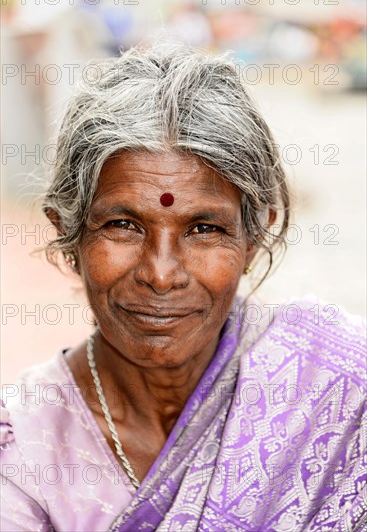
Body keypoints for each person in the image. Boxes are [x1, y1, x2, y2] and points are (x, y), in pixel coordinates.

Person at [1, 45, 366, 532]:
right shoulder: (23, 447)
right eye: (123, 224)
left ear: (254, 239)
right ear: (69, 234)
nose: (162, 273)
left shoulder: (337, 384)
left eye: (204, 229)